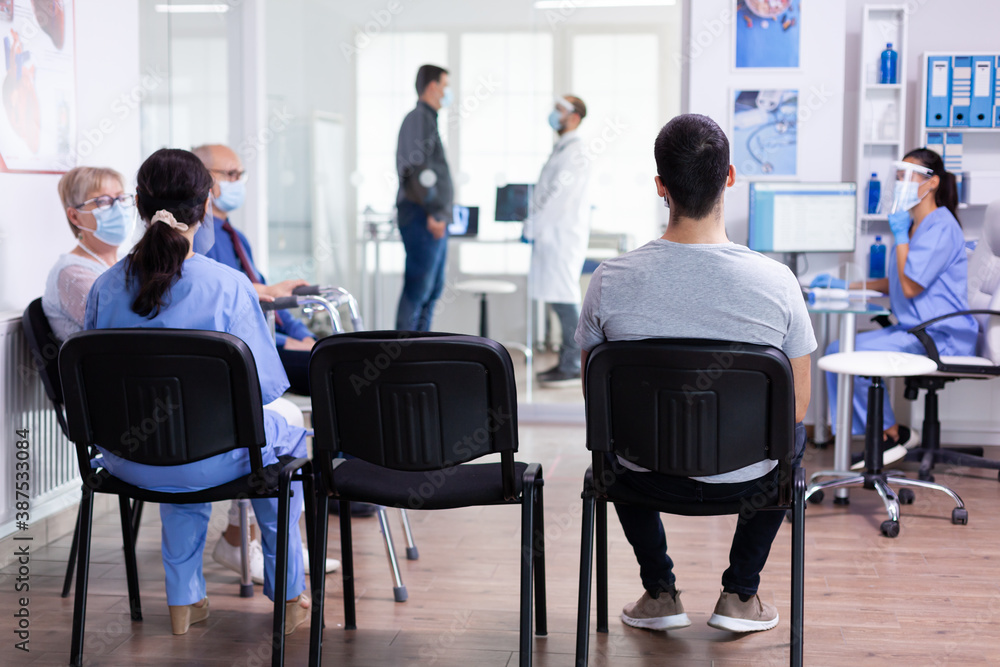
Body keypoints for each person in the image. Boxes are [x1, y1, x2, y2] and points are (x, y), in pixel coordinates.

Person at [575, 114, 814, 634]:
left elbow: (597, 402)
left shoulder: (609, 281)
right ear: (729, 177)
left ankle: (660, 591)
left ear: (661, 187)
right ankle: (740, 594)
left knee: (608, 436)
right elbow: (796, 410)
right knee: (791, 435)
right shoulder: (777, 283)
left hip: (642, 477)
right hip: (748, 480)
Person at [84, 148, 311, 636]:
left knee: (177, 436)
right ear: (205, 205)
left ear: (140, 205)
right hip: (211, 458)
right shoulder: (230, 287)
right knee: (281, 443)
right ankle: (289, 594)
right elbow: (266, 388)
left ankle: (184, 600)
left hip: (127, 457)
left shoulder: (104, 288)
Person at [815, 148, 977, 467]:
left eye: (909, 175)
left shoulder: (940, 226)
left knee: (847, 355)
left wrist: (900, 234)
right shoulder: (916, 225)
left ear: (932, 184)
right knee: (837, 351)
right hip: (916, 330)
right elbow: (896, 280)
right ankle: (890, 433)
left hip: (941, 335)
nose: (901, 181)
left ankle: (889, 436)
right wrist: (846, 286)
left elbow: (910, 285)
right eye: (899, 175)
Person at [192, 144, 315, 394]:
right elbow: (221, 311)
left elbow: (271, 297)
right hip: (249, 344)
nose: (237, 182)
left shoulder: (237, 238)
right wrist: (286, 341)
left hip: (272, 336)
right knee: (341, 371)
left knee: (337, 356)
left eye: (240, 175)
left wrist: (303, 336)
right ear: (203, 180)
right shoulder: (198, 242)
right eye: (230, 175)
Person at [524, 96, 592, 384]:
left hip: (561, 236)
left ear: (574, 117)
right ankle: (567, 361)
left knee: (564, 300)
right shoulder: (562, 150)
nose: (554, 115)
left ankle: (571, 363)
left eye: (560, 111)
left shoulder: (574, 154)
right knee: (558, 298)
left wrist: (532, 227)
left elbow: (557, 200)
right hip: (552, 235)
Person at [395, 64, 454, 331]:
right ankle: (404, 360)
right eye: (445, 86)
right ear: (432, 87)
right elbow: (418, 173)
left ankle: (421, 353)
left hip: (431, 217)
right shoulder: (419, 118)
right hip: (423, 217)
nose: (447, 93)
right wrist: (434, 212)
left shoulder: (428, 120)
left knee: (431, 292)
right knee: (418, 291)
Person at [43, 166, 131, 341]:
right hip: (110, 365)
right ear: (75, 216)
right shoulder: (71, 272)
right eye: (103, 201)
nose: (118, 209)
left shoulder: (125, 260)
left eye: (121, 198)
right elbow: (124, 327)